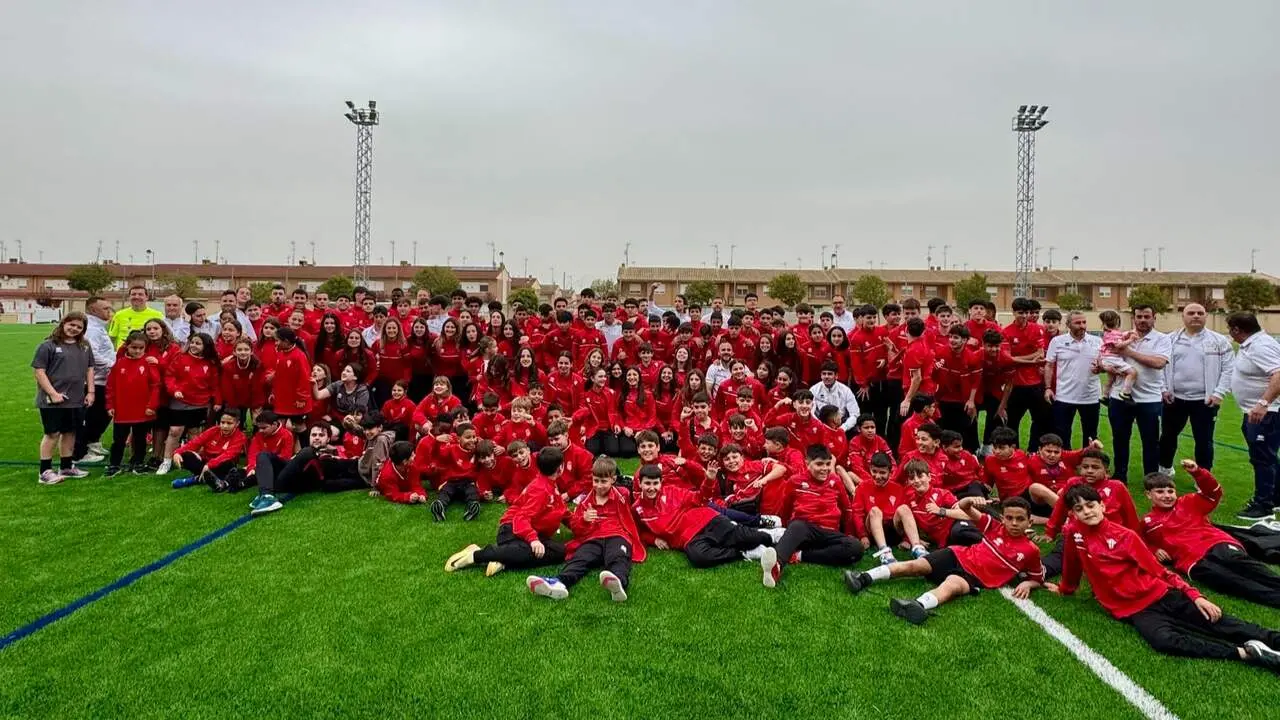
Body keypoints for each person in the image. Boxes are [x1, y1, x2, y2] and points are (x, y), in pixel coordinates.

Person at [1046, 484, 1280, 672]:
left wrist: (1196, 596)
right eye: (1079, 509)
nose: (1086, 511)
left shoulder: (1125, 536)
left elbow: (1161, 571)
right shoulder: (1073, 534)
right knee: (1164, 641)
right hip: (1134, 610)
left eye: (1090, 505)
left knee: (1219, 622)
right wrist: (1065, 588)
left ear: (1103, 506)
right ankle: (1246, 653)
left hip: (1161, 594)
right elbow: (1072, 564)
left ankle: (1273, 639)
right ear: (1072, 514)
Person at [842, 496, 1044, 625]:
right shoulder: (993, 525)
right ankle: (863, 578)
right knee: (915, 565)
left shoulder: (1031, 550)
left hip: (973, 576)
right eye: (1010, 518)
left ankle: (916, 606)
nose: (1014, 523)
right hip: (957, 555)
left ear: (1030, 521)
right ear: (1003, 518)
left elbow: (1038, 577)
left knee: (951, 586)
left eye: (1020, 519)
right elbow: (966, 508)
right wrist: (971, 501)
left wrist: (1028, 582)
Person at [1142, 460, 1280, 608]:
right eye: (1160, 492)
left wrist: (1198, 472)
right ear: (1148, 494)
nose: (1167, 496)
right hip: (1192, 563)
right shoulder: (1147, 522)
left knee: (1250, 568)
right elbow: (1139, 542)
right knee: (1236, 584)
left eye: (1170, 491)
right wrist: (1154, 550)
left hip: (1216, 544)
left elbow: (1213, 493)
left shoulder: (1189, 502)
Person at [527, 457, 646, 602]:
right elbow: (577, 529)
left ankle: (618, 583)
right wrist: (584, 519)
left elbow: (641, 500)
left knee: (618, 557)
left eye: (604, 481)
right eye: (596, 481)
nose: (599, 485)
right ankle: (559, 583)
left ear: (613, 479)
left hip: (617, 535)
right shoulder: (585, 501)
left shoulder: (623, 494)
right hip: (593, 538)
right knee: (580, 559)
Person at [445, 446, 570, 576]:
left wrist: (583, 522)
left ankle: (504, 558)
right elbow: (521, 518)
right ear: (560, 468)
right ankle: (476, 555)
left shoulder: (549, 483)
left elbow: (562, 511)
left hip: (527, 531)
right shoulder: (541, 489)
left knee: (559, 552)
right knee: (532, 551)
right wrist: (533, 539)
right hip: (511, 529)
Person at [632, 463, 779, 568]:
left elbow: (700, 498)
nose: (651, 488)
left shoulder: (673, 491)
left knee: (749, 537)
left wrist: (708, 480)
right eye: (647, 484)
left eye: (655, 483)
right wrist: (653, 539)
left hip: (707, 520)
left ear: (661, 483)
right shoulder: (637, 508)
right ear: (640, 483)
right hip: (688, 539)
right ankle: (743, 552)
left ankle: (774, 535)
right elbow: (638, 531)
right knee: (699, 558)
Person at [759, 445, 863, 587]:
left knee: (856, 548)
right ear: (807, 463)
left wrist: (850, 534)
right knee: (797, 525)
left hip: (829, 533)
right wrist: (786, 530)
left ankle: (799, 556)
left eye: (827, 464)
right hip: (805, 531)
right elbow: (785, 508)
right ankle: (776, 567)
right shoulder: (794, 481)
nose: (824, 468)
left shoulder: (835, 481)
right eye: (819, 464)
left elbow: (847, 509)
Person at [1158, 303, 1233, 474]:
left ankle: (1204, 476)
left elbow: (1229, 369)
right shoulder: (1170, 340)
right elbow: (1161, 367)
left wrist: (1218, 393)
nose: (1196, 316)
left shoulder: (1219, 341)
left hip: (1205, 401)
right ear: (1183, 317)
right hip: (1174, 399)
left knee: (1204, 440)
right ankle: (1165, 469)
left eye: (1200, 313)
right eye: (1191, 313)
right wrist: (1163, 389)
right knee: (1168, 437)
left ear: (1206, 316)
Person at [1104, 304, 1170, 483]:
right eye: (1139, 316)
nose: (1142, 320)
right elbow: (1109, 357)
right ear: (1133, 318)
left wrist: (1129, 352)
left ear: (1154, 318)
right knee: (1120, 438)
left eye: (1146, 316)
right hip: (1120, 397)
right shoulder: (1123, 336)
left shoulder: (1162, 339)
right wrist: (1103, 366)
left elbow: (1159, 363)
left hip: (1149, 399)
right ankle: (1120, 475)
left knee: (1150, 441)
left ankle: (1151, 478)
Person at [1226, 311, 1280, 520]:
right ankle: (1275, 497)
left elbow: (1278, 373)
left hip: (1265, 413)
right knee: (1267, 456)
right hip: (1252, 411)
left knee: (1262, 459)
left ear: (1236, 330)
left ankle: (1263, 504)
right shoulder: (1253, 344)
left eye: (1230, 329)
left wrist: (1263, 403)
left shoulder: (1260, 346)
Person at [32, 312, 96, 484]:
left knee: (70, 432)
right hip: (52, 401)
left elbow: (90, 369)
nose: (74, 329)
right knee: (52, 433)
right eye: (71, 325)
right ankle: (44, 471)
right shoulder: (48, 346)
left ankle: (66, 467)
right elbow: (39, 372)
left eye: (79, 327)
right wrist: (52, 393)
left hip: (76, 399)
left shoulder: (84, 345)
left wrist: (90, 392)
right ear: (63, 323)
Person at [104, 331, 161, 476]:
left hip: (142, 410)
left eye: (141, 348)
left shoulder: (148, 363)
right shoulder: (119, 364)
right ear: (127, 346)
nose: (137, 351)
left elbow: (155, 386)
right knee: (119, 440)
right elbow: (111, 387)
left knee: (140, 439)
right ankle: (114, 464)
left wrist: (151, 406)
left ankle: (138, 463)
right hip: (122, 410)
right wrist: (110, 405)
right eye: (134, 347)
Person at [1043, 310, 1103, 448]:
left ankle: (1087, 464)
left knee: (1090, 435)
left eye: (1084, 322)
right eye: (1077, 323)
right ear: (1068, 324)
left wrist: (1101, 368)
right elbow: (1049, 365)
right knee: (1062, 434)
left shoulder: (1097, 341)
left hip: (1090, 396)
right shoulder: (1057, 341)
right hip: (1064, 396)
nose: (1082, 326)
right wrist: (1047, 388)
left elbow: (1104, 365)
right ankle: (1065, 464)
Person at [1002, 298, 1050, 452]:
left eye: (1027, 313)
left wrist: (1017, 359)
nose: (1024, 315)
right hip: (1015, 384)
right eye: (1020, 312)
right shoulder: (1006, 332)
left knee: (1040, 420)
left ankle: (1034, 451)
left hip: (1035, 383)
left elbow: (1040, 353)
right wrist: (1029, 359)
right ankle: (1014, 453)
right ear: (1014, 312)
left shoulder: (1037, 329)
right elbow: (1007, 359)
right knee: (1012, 422)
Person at [74, 296, 115, 464]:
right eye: (105, 308)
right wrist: (113, 365)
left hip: (103, 379)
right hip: (95, 380)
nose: (109, 311)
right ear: (93, 310)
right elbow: (92, 354)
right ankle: (81, 452)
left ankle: (93, 443)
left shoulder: (99, 327)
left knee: (102, 415)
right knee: (93, 416)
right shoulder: (91, 328)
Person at [171, 410, 247, 490]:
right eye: (222, 422)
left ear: (237, 424)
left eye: (229, 423)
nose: (225, 426)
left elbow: (228, 455)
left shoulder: (240, 437)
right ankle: (208, 477)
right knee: (186, 455)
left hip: (221, 465)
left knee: (227, 462)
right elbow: (195, 442)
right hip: (205, 463)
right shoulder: (213, 430)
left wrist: (209, 465)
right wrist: (177, 452)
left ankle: (195, 479)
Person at [1096, 310, 1139, 402]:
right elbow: (1118, 345)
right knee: (1132, 372)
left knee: (1111, 379)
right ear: (1117, 321)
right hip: (1113, 359)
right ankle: (1125, 392)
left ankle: (1104, 396)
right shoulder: (1113, 334)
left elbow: (1120, 335)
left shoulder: (1108, 333)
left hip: (1106, 359)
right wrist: (1131, 339)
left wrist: (1128, 333)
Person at [808, 360, 860, 435]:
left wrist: (843, 428)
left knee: (855, 429)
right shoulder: (814, 389)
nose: (826, 377)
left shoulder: (846, 390)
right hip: (820, 423)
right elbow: (811, 412)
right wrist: (821, 426)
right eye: (824, 374)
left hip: (841, 423)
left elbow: (855, 414)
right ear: (821, 375)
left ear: (836, 376)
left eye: (829, 374)